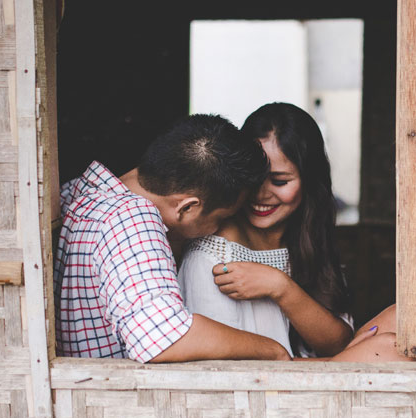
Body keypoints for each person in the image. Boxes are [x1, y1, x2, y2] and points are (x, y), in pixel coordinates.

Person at [54, 114, 292, 363]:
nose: (217, 229)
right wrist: (271, 350)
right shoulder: (133, 218)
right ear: (187, 208)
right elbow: (162, 339)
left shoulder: (82, 191)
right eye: (222, 218)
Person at [178, 103, 406, 361]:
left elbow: (338, 344)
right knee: (389, 350)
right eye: (254, 178)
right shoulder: (212, 257)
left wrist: (282, 288)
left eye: (279, 181)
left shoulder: (307, 239)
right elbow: (221, 369)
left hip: (318, 378)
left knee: (402, 317)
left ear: (309, 182)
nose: (262, 194)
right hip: (266, 391)